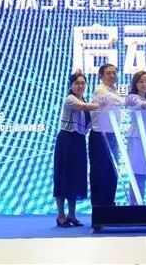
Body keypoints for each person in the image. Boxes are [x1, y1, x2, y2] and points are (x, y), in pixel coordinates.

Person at [53, 72, 99, 227]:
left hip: (79, 141)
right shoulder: (70, 99)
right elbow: (83, 107)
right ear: (71, 85)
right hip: (66, 141)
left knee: (75, 177)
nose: (80, 86)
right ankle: (61, 216)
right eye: (77, 83)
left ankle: (72, 215)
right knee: (63, 176)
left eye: (82, 83)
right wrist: (103, 104)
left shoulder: (84, 100)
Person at [89, 64, 124, 207]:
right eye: (108, 73)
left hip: (113, 135)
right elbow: (112, 99)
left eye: (114, 73)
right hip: (100, 136)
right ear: (101, 76)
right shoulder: (100, 89)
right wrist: (128, 101)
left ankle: (109, 204)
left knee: (112, 171)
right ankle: (99, 207)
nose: (112, 75)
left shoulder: (114, 89)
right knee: (100, 172)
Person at [124, 70, 146, 204]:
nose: (144, 84)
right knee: (136, 173)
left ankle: (139, 204)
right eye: (141, 81)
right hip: (136, 138)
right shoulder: (132, 97)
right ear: (135, 84)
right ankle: (134, 205)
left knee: (144, 173)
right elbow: (140, 104)